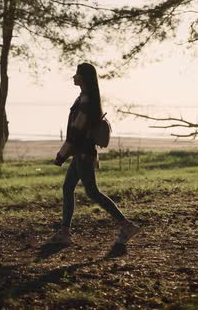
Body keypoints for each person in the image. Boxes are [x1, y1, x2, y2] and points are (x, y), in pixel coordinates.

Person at [48, 63, 140, 245]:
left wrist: (61, 155)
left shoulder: (86, 101)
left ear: (83, 78)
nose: (73, 77)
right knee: (68, 188)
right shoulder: (84, 98)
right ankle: (65, 232)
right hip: (81, 154)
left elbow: (76, 132)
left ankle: (126, 225)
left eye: (76, 74)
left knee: (92, 192)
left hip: (83, 154)